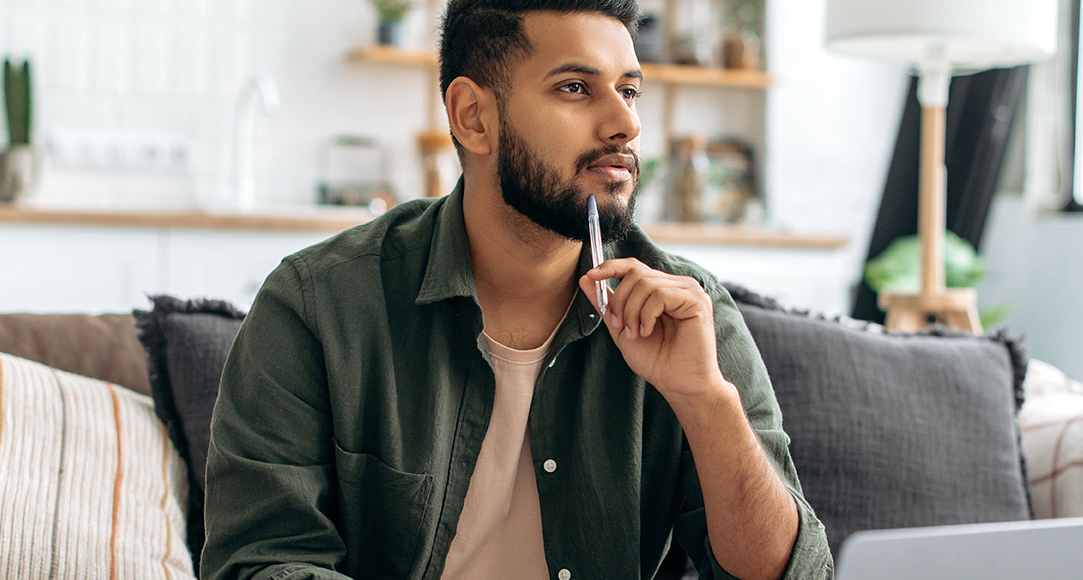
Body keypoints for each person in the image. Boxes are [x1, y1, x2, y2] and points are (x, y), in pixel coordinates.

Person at [201, 1, 833, 578]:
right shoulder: (318, 305)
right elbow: (262, 562)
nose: (624, 123)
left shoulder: (690, 312)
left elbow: (794, 574)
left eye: (630, 90)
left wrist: (706, 401)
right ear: (473, 117)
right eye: (576, 88)